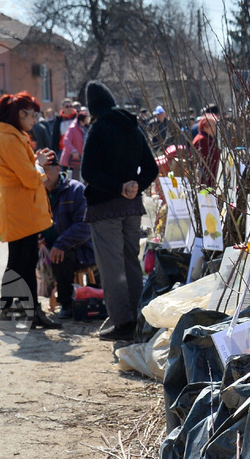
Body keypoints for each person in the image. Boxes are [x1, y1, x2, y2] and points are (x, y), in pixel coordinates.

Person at [81, 80, 158, 341]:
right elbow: (152, 167)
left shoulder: (98, 129)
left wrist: (118, 187)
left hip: (105, 207)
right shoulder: (132, 126)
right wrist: (136, 186)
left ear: (92, 107)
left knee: (112, 267)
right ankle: (137, 317)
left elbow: (88, 172)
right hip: (132, 206)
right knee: (131, 263)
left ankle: (123, 323)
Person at [0, 91, 61, 330]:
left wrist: (35, 162)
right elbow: (28, 176)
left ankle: (18, 311)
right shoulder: (8, 138)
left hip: (20, 206)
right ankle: (20, 312)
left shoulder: (9, 135)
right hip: (20, 208)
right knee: (21, 261)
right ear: (20, 114)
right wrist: (38, 165)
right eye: (33, 115)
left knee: (21, 261)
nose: (35, 120)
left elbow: (23, 171)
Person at [41, 155, 95, 319]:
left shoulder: (76, 189)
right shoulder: (37, 193)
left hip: (78, 246)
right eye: (39, 171)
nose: (43, 175)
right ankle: (30, 304)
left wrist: (61, 243)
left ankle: (66, 302)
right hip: (48, 245)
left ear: (58, 169)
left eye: (46, 170)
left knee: (62, 255)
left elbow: (84, 226)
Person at [59, 108, 89, 181]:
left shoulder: (85, 128)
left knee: (78, 180)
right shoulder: (73, 128)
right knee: (70, 182)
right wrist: (73, 151)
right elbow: (66, 141)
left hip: (79, 160)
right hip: (70, 160)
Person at [192, 113, 220, 189]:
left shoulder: (208, 139)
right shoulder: (202, 140)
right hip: (206, 182)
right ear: (205, 127)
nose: (216, 129)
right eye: (214, 126)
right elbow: (207, 163)